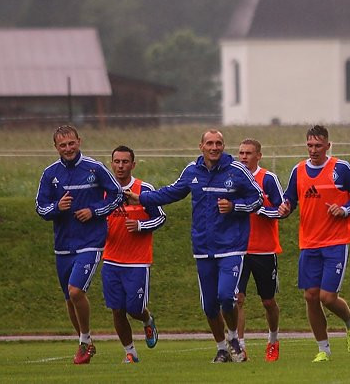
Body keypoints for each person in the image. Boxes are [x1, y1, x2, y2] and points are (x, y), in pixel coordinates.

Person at [125, 129, 262, 363]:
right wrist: (143, 198)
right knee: (209, 306)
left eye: (218, 143)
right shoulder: (192, 171)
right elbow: (171, 192)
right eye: (210, 143)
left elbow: (257, 198)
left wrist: (234, 207)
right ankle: (222, 349)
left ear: (223, 146)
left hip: (231, 246)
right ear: (201, 147)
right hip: (203, 247)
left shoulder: (237, 170)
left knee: (226, 296)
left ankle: (233, 338)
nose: (214, 147)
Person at [35, 125, 124, 364]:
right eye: (63, 145)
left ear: (79, 141)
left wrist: (94, 211)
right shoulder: (50, 174)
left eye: (71, 143)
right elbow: (41, 208)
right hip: (63, 245)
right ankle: (86, 342)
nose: (68, 148)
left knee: (76, 291)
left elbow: (117, 195)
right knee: (69, 298)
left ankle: (84, 341)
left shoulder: (94, 168)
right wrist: (57, 207)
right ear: (56, 147)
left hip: (91, 242)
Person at [277, 125, 350, 362]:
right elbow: (290, 199)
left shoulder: (341, 168)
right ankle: (323, 349)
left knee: (327, 297)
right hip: (309, 243)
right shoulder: (298, 170)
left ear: (328, 145)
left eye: (318, 145)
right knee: (310, 296)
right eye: (310, 145)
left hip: (336, 241)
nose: (313, 150)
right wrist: (285, 207)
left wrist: (344, 209)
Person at [101, 146, 165, 363]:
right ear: (111, 163)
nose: (120, 166)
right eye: (117, 161)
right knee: (117, 310)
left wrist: (140, 225)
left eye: (125, 162)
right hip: (111, 260)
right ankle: (130, 352)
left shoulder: (144, 189)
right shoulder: (104, 190)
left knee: (134, 308)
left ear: (133, 164)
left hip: (137, 262)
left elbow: (161, 217)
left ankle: (147, 319)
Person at [233, 139, 284, 362]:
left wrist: (261, 210)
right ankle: (240, 347)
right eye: (241, 153)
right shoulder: (233, 178)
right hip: (238, 249)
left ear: (259, 156)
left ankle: (273, 340)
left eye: (248, 153)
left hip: (264, 250)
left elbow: (282, 209)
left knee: (268, 302)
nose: (244, 157)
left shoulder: (268, 179)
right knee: (237, 299)